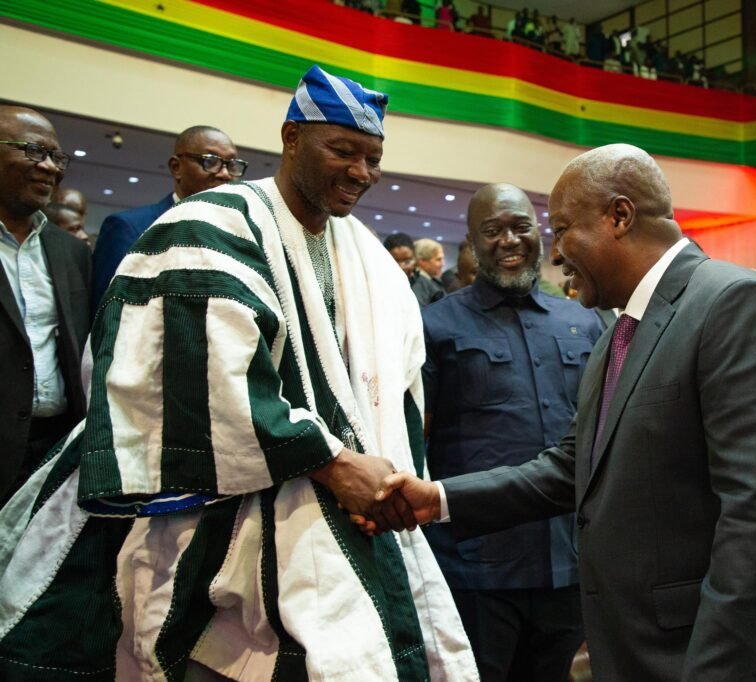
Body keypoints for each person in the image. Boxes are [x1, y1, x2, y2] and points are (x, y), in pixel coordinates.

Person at [0, 65, 477, 680]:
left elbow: (399, 385)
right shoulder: (211, 224)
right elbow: (204, 382)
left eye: (373, 159)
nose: (361, 172)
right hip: (211, 519)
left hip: (350, 510)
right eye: (343, 151)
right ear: (291, 138)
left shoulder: (369, 257)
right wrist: (336, 464)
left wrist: (385, 485)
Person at [363, 143, 756, 681]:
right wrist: (439, 499)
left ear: (619, 217)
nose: (555, 254)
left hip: (723, 659)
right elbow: (573, 467)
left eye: (563, 229)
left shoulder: (736, 305)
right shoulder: (619, 334)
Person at [421, 183, 600, 681]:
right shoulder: (434, 325)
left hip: (566, 564)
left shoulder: (583, 321)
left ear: (540, 233)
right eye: (492, 230)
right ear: (472, 242)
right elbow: (417, 439)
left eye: (521, 227)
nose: (509, 240)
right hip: (477, 568)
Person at [0, 106, 92, 504]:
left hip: (55, 450)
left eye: (56, 156)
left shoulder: (72, 252)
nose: (51, 167)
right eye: (34, 151)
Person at [91, 125, 246, 311]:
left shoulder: (239, 235)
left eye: (232, 164)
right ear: (176, 167)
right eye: (211, 161)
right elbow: (108, 309)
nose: (225, 174)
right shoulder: (129, 227)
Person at [413, 237, 446, 306]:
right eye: (438, 259)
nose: (443, 264)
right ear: (422, 261)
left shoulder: (429, 281)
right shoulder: (418, 283)